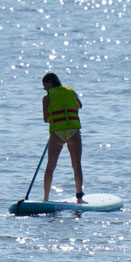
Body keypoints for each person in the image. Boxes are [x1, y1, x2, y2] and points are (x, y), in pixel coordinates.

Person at [41, 72, 84, 203]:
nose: (44, 88)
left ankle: (46, 199)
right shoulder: (71, 91)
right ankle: (79, 198)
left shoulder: (46, 99)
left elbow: (46, 119)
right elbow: (80, 106)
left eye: (44, 85)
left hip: (57, 134)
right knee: (76, 166)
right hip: (73, 132)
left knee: (50, 167)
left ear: (51, 83)